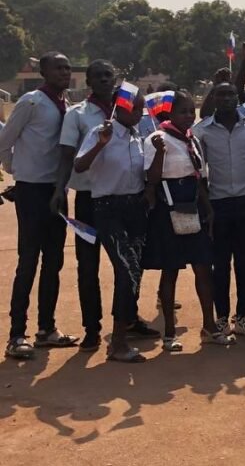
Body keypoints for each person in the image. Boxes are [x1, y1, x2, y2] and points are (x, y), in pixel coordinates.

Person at [142, 90, 234, 349]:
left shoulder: (190, 140)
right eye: (182, 111)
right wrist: (160, 152)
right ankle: (169, 333)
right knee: (170, 270)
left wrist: (209, 209)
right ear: (169, 113)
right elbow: (151, 179)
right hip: (167, 208)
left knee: (204, 267)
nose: (188, 116)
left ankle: (209, 326)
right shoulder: (157, 138)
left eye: (190, 111)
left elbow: (198, 177)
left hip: (193, 206)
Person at [0, 52, 77, 359]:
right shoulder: (31, 102)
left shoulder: (67, 106)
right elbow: (6, 140)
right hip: (32, 191)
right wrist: (17, 173)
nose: (64, 71)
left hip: (57, 192)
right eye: (58, 67)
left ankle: (47, 329)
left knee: (54, 261)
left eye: (67, 67)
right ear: (43, 71)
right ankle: (17, 334)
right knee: (28, 260)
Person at [73, 89, 149, 362]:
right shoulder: (100, 133)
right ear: (122, 107)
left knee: (134, 273)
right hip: (108, 209)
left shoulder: (137, 136)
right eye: (136, 109)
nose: (141, 114)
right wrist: (100, 145)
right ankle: (117, 343)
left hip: (135, 209)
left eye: (142, 109)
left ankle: (125, 326)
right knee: (126, 269)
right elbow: (80, 166)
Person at [53, 60, 123, 350]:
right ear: (89, 82)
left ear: (115, 78)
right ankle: (91, 328)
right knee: (88, 266)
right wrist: (60, 189)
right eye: (98, 77)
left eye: (109, 75)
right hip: (88, 201)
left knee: (126, 264)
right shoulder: (77, 115)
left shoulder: (127, 112)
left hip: (120, 197)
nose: (105, 80)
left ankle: (127, 321)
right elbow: (67, 156)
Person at [192, 82, 245, 337]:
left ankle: (244, 317)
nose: (226, 98)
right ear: (213, 98)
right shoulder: (201, 131)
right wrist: (206, 207)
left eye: (230, 94)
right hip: (218, 204)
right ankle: (222, 317)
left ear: (237, 98)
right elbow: (198, 173)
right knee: (220, 264)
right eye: (221, 94)